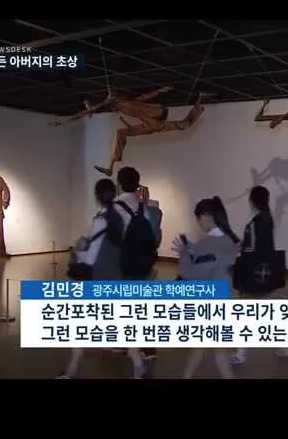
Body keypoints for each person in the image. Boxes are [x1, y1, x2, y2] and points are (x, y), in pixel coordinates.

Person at [57, 179, 147, 379]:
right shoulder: (119, 219)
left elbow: (90, 256)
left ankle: (71, 371)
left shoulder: (100, 220)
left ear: (97, 196)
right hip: (116, 277)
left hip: (98, 279)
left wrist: (78, 251)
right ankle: (138, 366)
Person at [172, 196, 239, 379]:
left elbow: (190, 274)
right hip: (225, 297)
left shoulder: (206, 243)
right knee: (217, 351)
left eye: (199, 219)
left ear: (205, 217)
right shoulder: (229, 239)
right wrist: (192, 250)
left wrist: (184, 254)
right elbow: (212, 260)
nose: (199, 224)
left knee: (203, 348)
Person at [230, 186, 288, 364]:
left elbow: (249, 250)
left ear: (252, 201)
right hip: (268, 274)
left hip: (253, 275)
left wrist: (237, 253)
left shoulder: (254, 223)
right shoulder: (268, 219)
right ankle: (284, 346)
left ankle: (240, 354)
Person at [94, 91, 210, 177]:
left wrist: (160, 91)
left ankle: (110, 167)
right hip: (150, 124)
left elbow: (145, 98)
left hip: (151, 124)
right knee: (120, 133)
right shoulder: (128, 106)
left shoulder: (129, 105)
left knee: (121, 132)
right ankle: (110, 167)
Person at [113, 167, 160, 366]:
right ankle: (148, 347)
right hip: (144, 261)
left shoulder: (114, 206)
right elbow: (155, 236)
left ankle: (125, 344)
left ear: (119, 183)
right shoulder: (147, 206)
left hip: (123, 262)